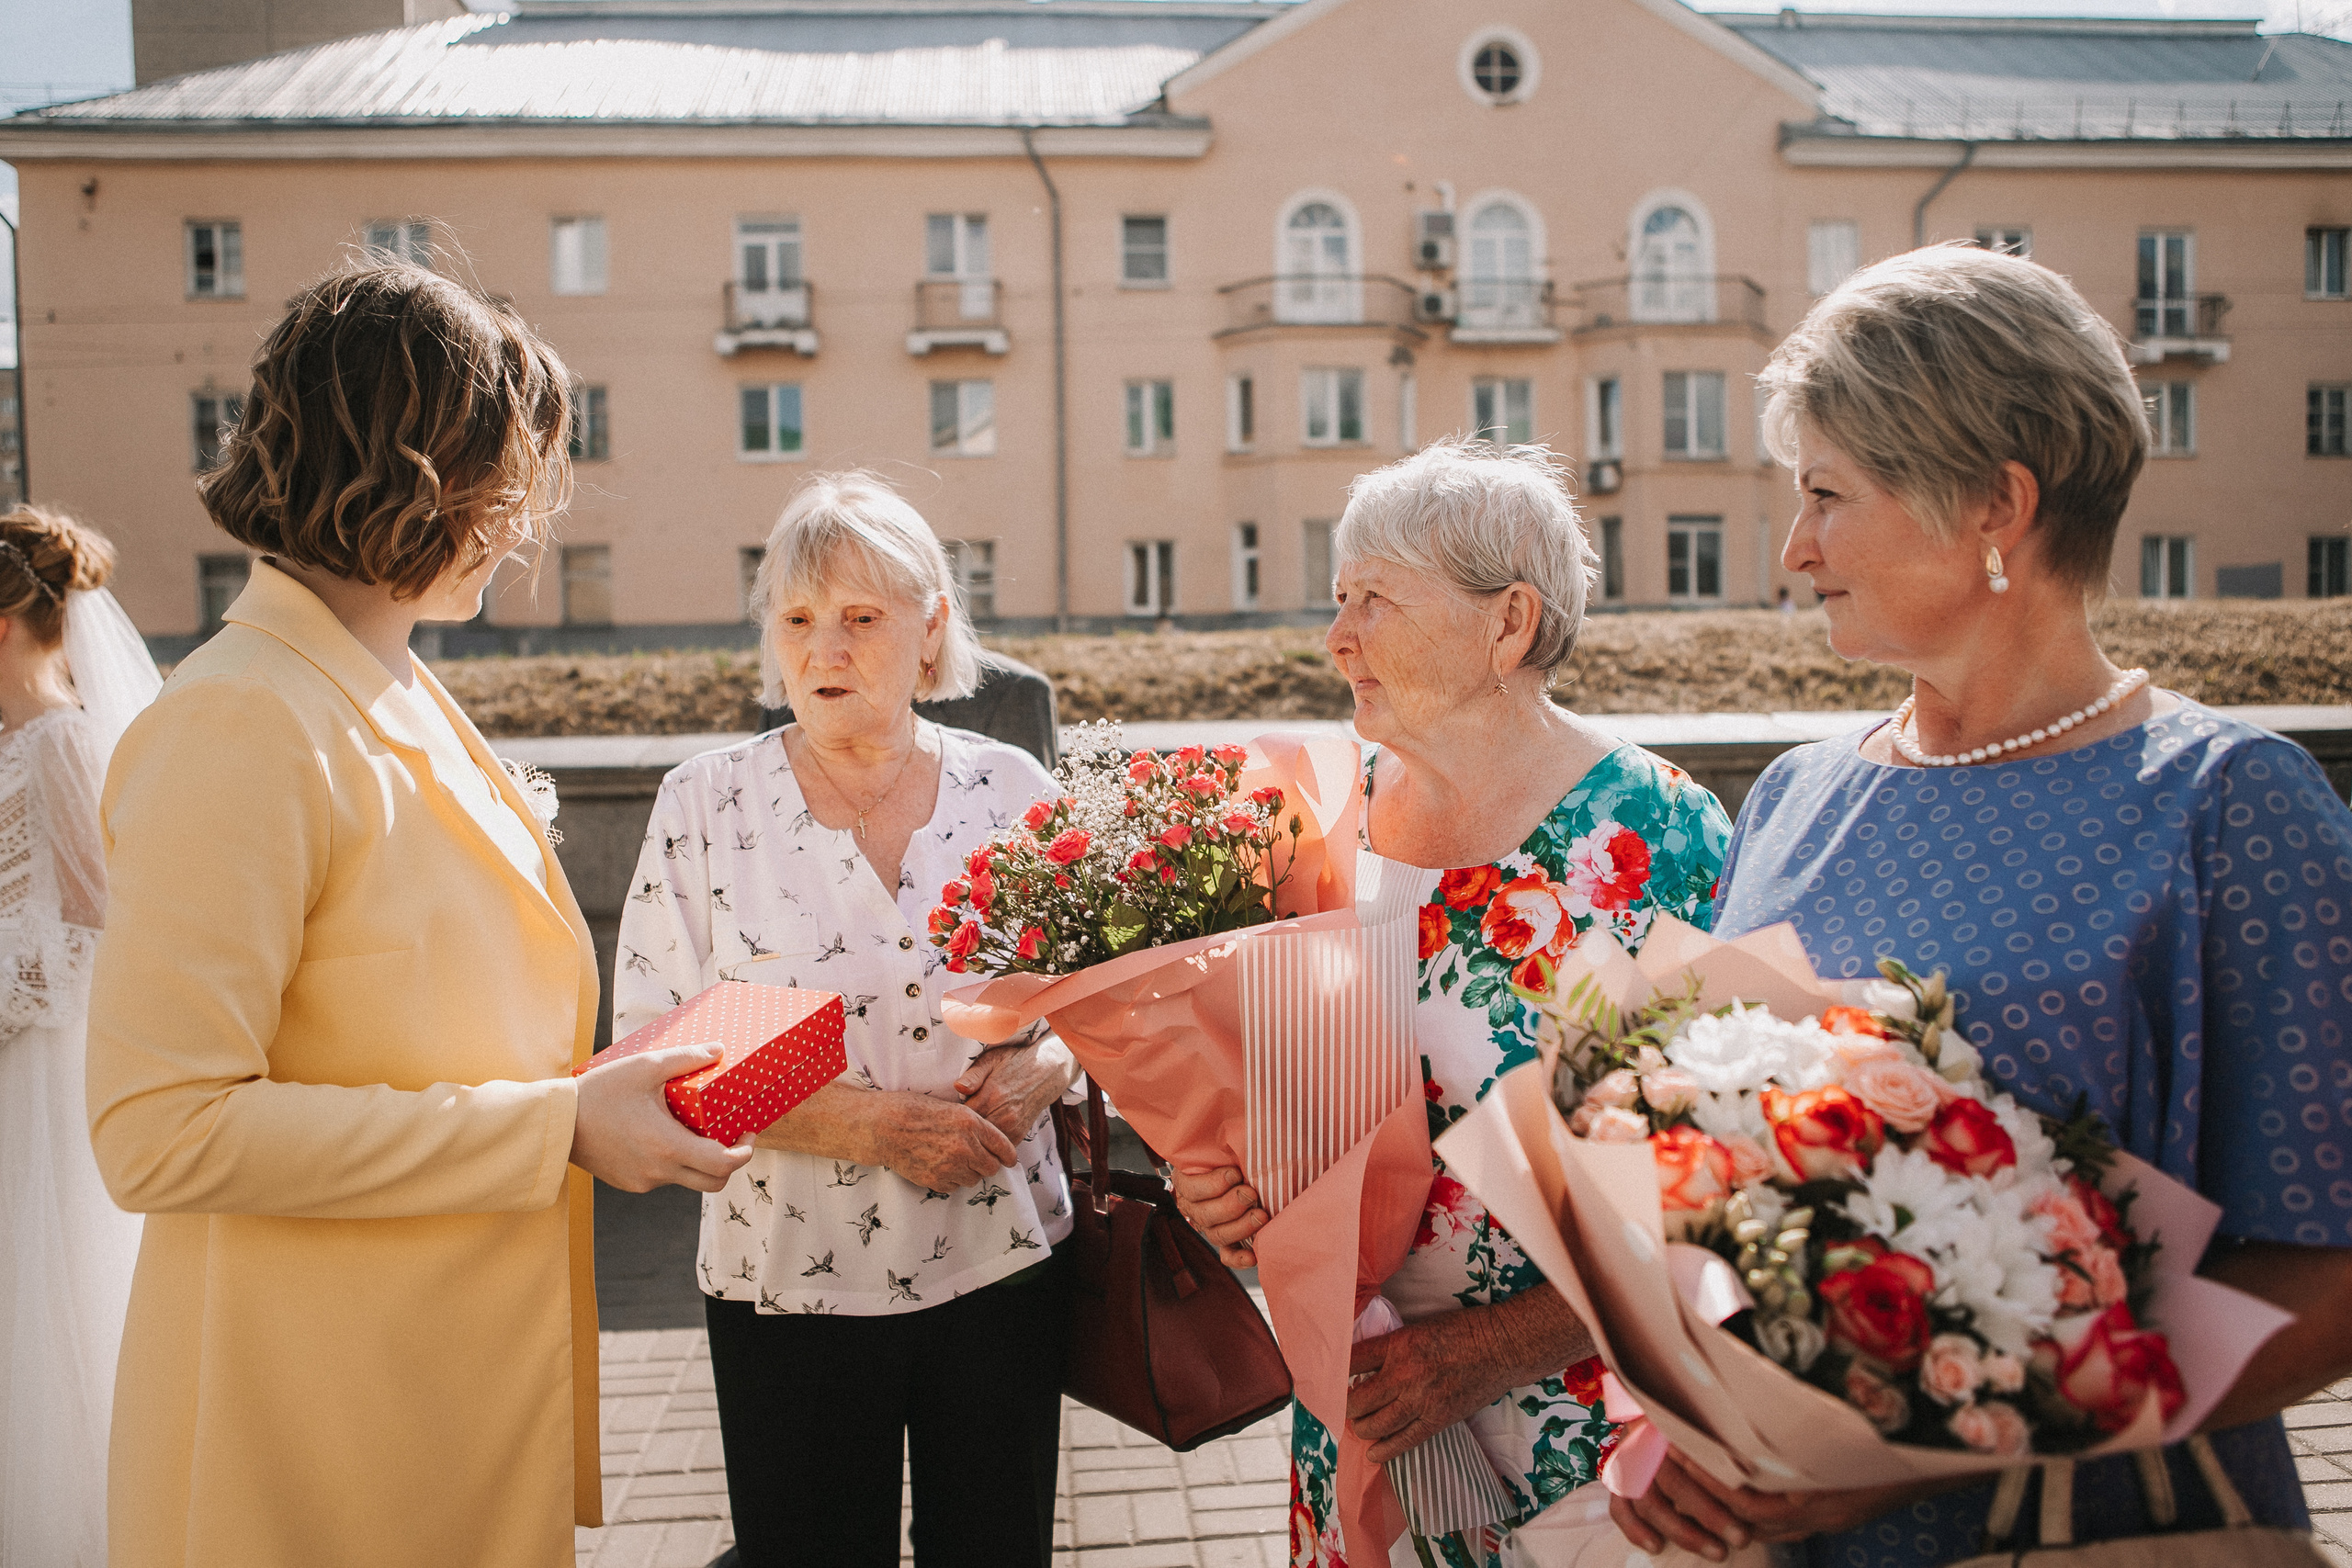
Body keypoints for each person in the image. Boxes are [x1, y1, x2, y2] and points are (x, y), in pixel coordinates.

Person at [1615, 244, 2352, 1566]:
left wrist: (1955, 1435)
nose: (1795, 549)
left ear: (1995, 505)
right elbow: (1683, 1184)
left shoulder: (2228, 803)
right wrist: (1666, 1418)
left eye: (1828, 495)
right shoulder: (1795, 797)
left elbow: (2335, 1271)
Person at [85, 265, 751, 1568]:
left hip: (438, 1390)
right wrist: (557, 1124)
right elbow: (158, 1130)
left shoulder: (388, 682)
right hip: (314, 1438)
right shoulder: (239, 718)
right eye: (513, 482)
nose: (526, 525)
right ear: (419, 470)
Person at [1173, 438, 1733, 1568]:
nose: (1336, 638)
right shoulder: (1311, 823)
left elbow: (1723, 1178)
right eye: (1338, 600)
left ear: (1508, 623)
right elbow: (1261, 1096)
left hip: (1592, 1440)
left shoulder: (1655, 836)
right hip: (1363, 1415)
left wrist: (1492, 1348)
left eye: (1375, 601)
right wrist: (1217, 1186)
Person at [615, 471, 1080, 1568]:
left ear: (931, 633)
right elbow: (652, 1047)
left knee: (996, 1550)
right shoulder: (704, 805)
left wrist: (1044, 1069)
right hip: (792, 1279)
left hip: (1001, 1259)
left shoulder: (1010, 790)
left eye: (862, 619)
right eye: (798, 620)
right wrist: (870, 1127)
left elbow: (1094, 1009)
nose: (826, 651)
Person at [0, 504, 155, 1567]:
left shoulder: (61, 740)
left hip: (48, 1064)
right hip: (23, 1045)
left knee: (56, 1307)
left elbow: (105, 925)